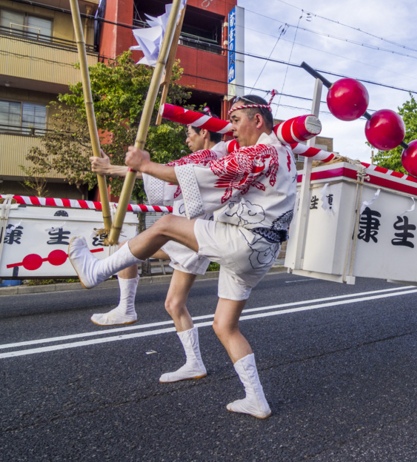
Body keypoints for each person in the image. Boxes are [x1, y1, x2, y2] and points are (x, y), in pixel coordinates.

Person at [69, 94, 295, 418]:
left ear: (257, 121)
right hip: (261, 252)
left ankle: (97, 272)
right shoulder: (283, 153)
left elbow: (197, 175)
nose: (232, 130)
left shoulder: (259, 151)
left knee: (165, 224)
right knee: (224, 325)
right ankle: (256, 399)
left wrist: (144, 164)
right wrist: (127, 167)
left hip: (242, 240)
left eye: (235, 121)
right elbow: (184, 170)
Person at [88, 125, 227, 383]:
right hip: (194, 235)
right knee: (174, 304)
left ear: (205, 133)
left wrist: (110, 169)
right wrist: (114, 170)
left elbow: (163, 173)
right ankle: (194, 363)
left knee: (127, 249)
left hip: (190, 233)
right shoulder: (213, 157)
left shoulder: (211, 156)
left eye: (190, 134)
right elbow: (162, 175)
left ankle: (125, 306)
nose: (187, 139)